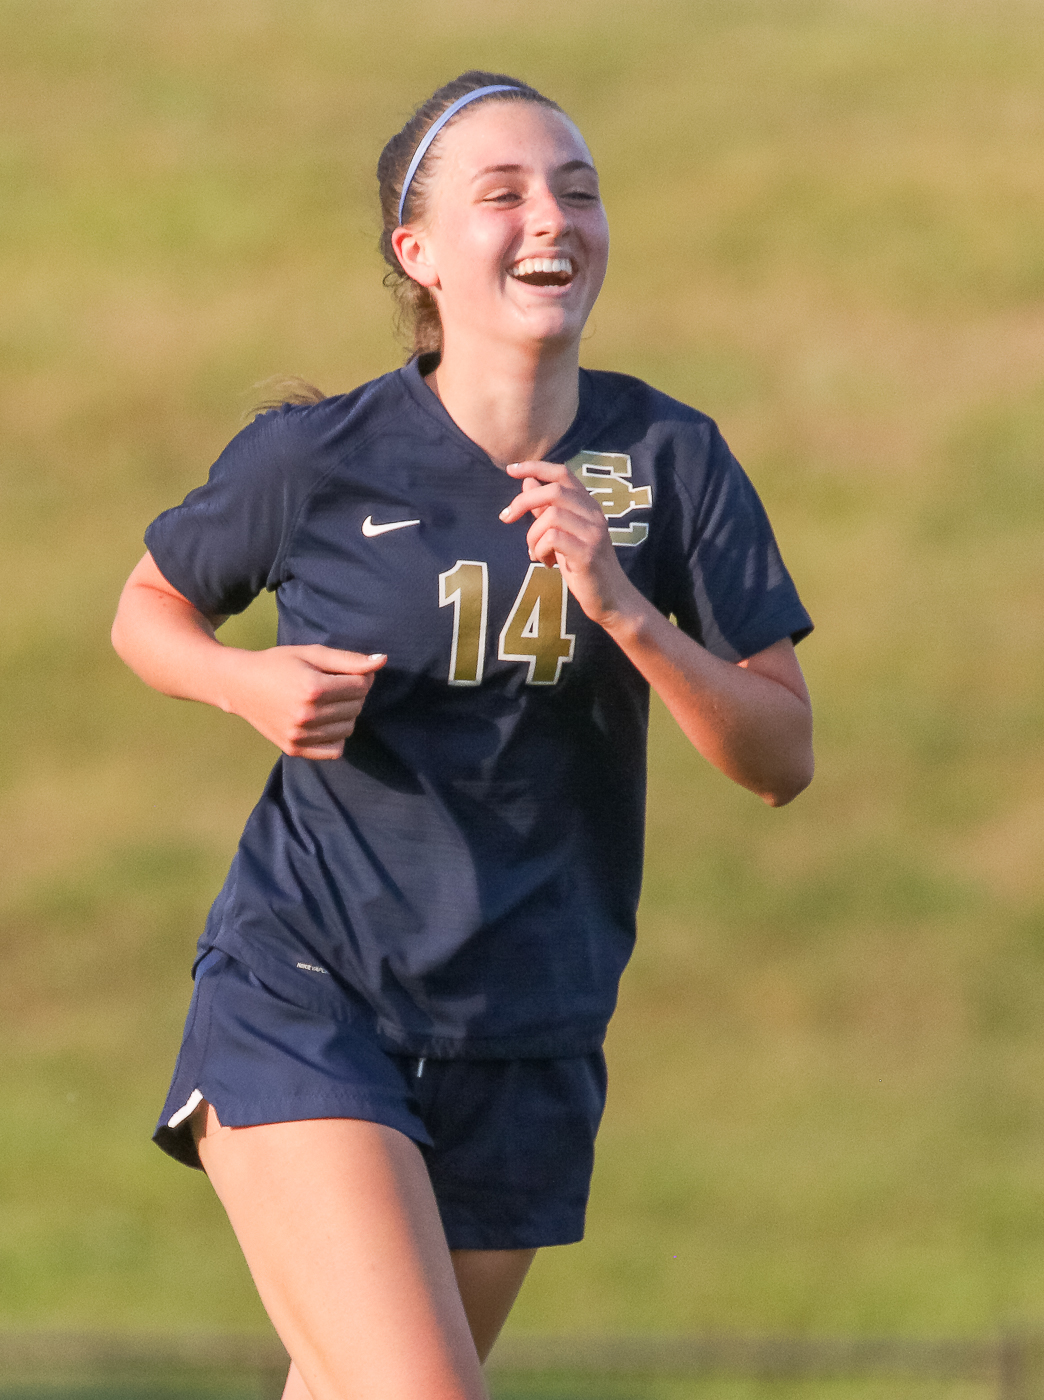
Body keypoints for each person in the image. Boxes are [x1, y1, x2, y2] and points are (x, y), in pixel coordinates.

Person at [111, 70, 814, 1400]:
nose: (551, 218)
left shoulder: (673, 459)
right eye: (505, 194)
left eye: (577, 191)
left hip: (532, 1027)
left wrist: (630, 614)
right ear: (419, 254)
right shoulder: (315, 458)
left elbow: (783, 759)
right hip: (312, 994)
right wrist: (243, 683)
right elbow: (145, 611)